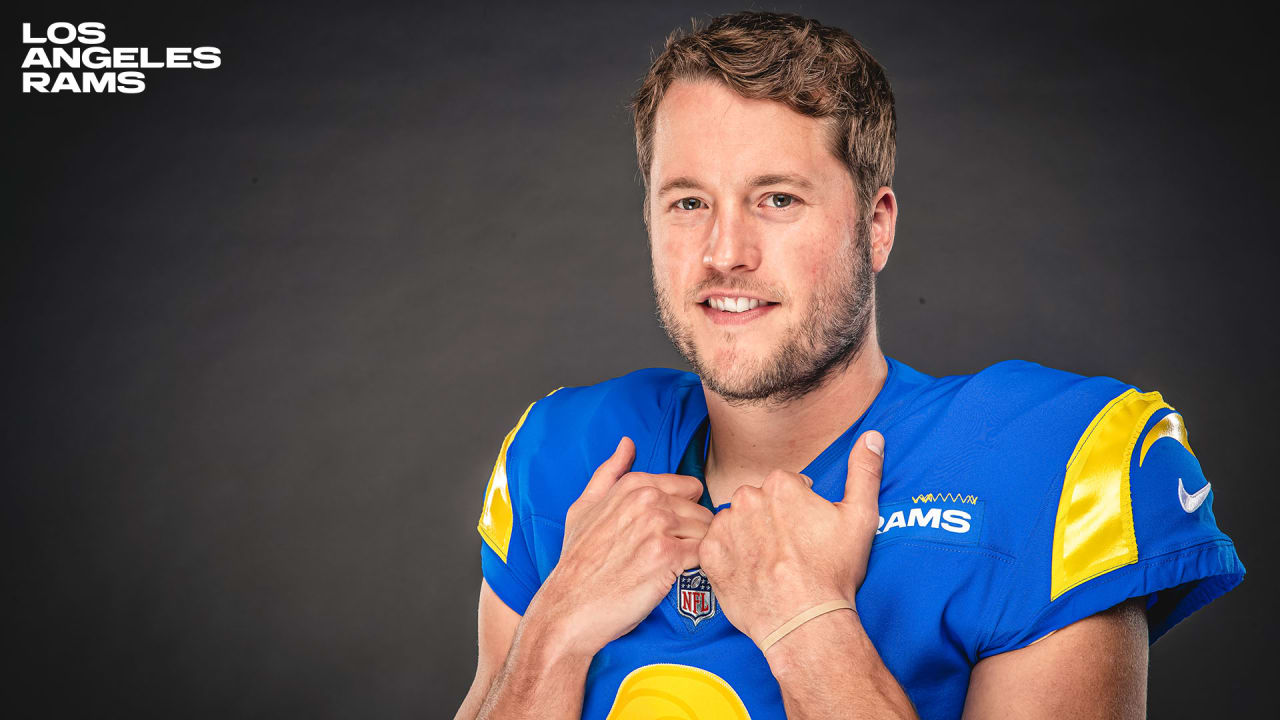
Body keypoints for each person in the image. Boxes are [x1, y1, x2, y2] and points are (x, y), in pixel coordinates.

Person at [454, 11, 1244, 719]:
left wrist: (809, 625)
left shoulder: (1042, 464)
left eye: (778, 200)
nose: (724, 253)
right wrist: (555, 628)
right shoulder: (564, 456)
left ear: (877, 227)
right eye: (688, 202)